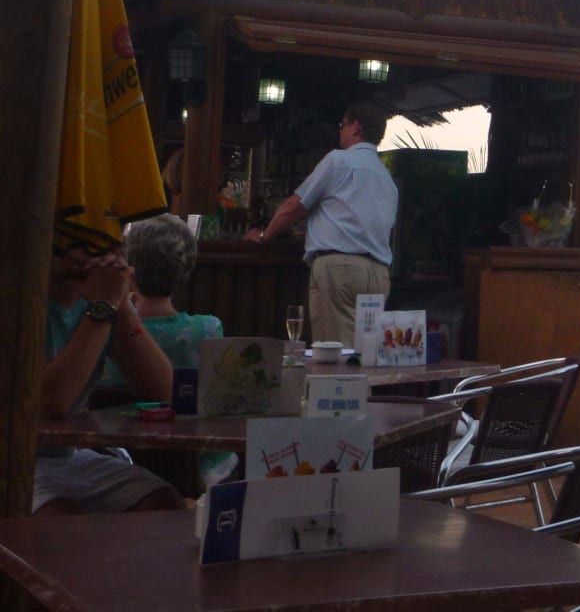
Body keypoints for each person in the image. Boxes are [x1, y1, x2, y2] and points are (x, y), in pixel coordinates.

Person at [35, 238, 183, 514]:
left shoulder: (96, 305)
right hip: (12, 458)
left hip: (67, 456)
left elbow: (164, 393)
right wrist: (102, 305)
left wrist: (121, 307)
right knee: (60, 518)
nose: (100, 251)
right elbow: (48, 404)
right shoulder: (18, 304)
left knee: (163, 503)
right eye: (75, 237)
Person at [245, 103, 398, 346]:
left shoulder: (339, 160)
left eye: (342, 125)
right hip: (378, 273)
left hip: (340, 268)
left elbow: (294, 207)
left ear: (355, 127)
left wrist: (264, 236)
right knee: (366, 352)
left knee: (334, 351)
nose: (340, 131)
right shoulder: (386, 177)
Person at [99, 214, 235, 486]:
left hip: (110, 463)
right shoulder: (208, 331)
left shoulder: (102, 332)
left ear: (130, 268)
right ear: (185, 268)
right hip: (194, 471)